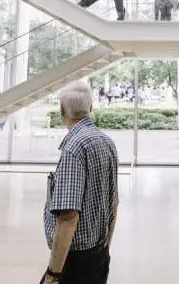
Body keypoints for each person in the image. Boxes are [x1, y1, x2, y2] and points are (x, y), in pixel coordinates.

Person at [43, 82, 118, 284]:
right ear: (90, 108)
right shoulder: (106, 142)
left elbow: (68, 217)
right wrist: (104, 250)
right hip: (99, 253)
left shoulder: (74, 149)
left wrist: (53, 274)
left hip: (75, 261)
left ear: (62, 110)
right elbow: (113, 205)